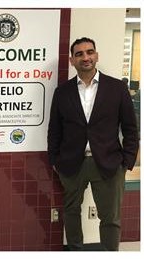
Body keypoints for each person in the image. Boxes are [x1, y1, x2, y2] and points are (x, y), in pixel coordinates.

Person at [47, 37, 138, 251]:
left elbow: (131, 129)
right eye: (79, 54)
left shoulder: (117, 88)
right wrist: (54, 160)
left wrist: (126, 162)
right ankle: (76, 252)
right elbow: (54, 130)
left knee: (110, 218)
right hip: (71, 164)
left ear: (96, 56)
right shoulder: (62, 92)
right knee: (71, 212)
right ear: (72, 60)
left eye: (89, 52)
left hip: (109, 163)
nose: (85, 57)